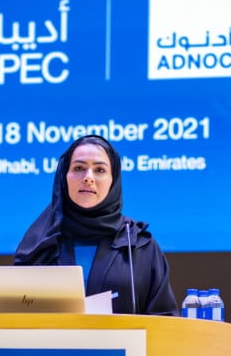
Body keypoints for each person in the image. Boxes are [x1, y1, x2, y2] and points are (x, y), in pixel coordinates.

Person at [14, 134, 179, 315]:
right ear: (64, 176)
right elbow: (16, 313)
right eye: (79, 168)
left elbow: (165, 318)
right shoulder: (38, 244)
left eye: (100, 170)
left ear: (113, 180)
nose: (88, 177)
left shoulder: (139, 245)